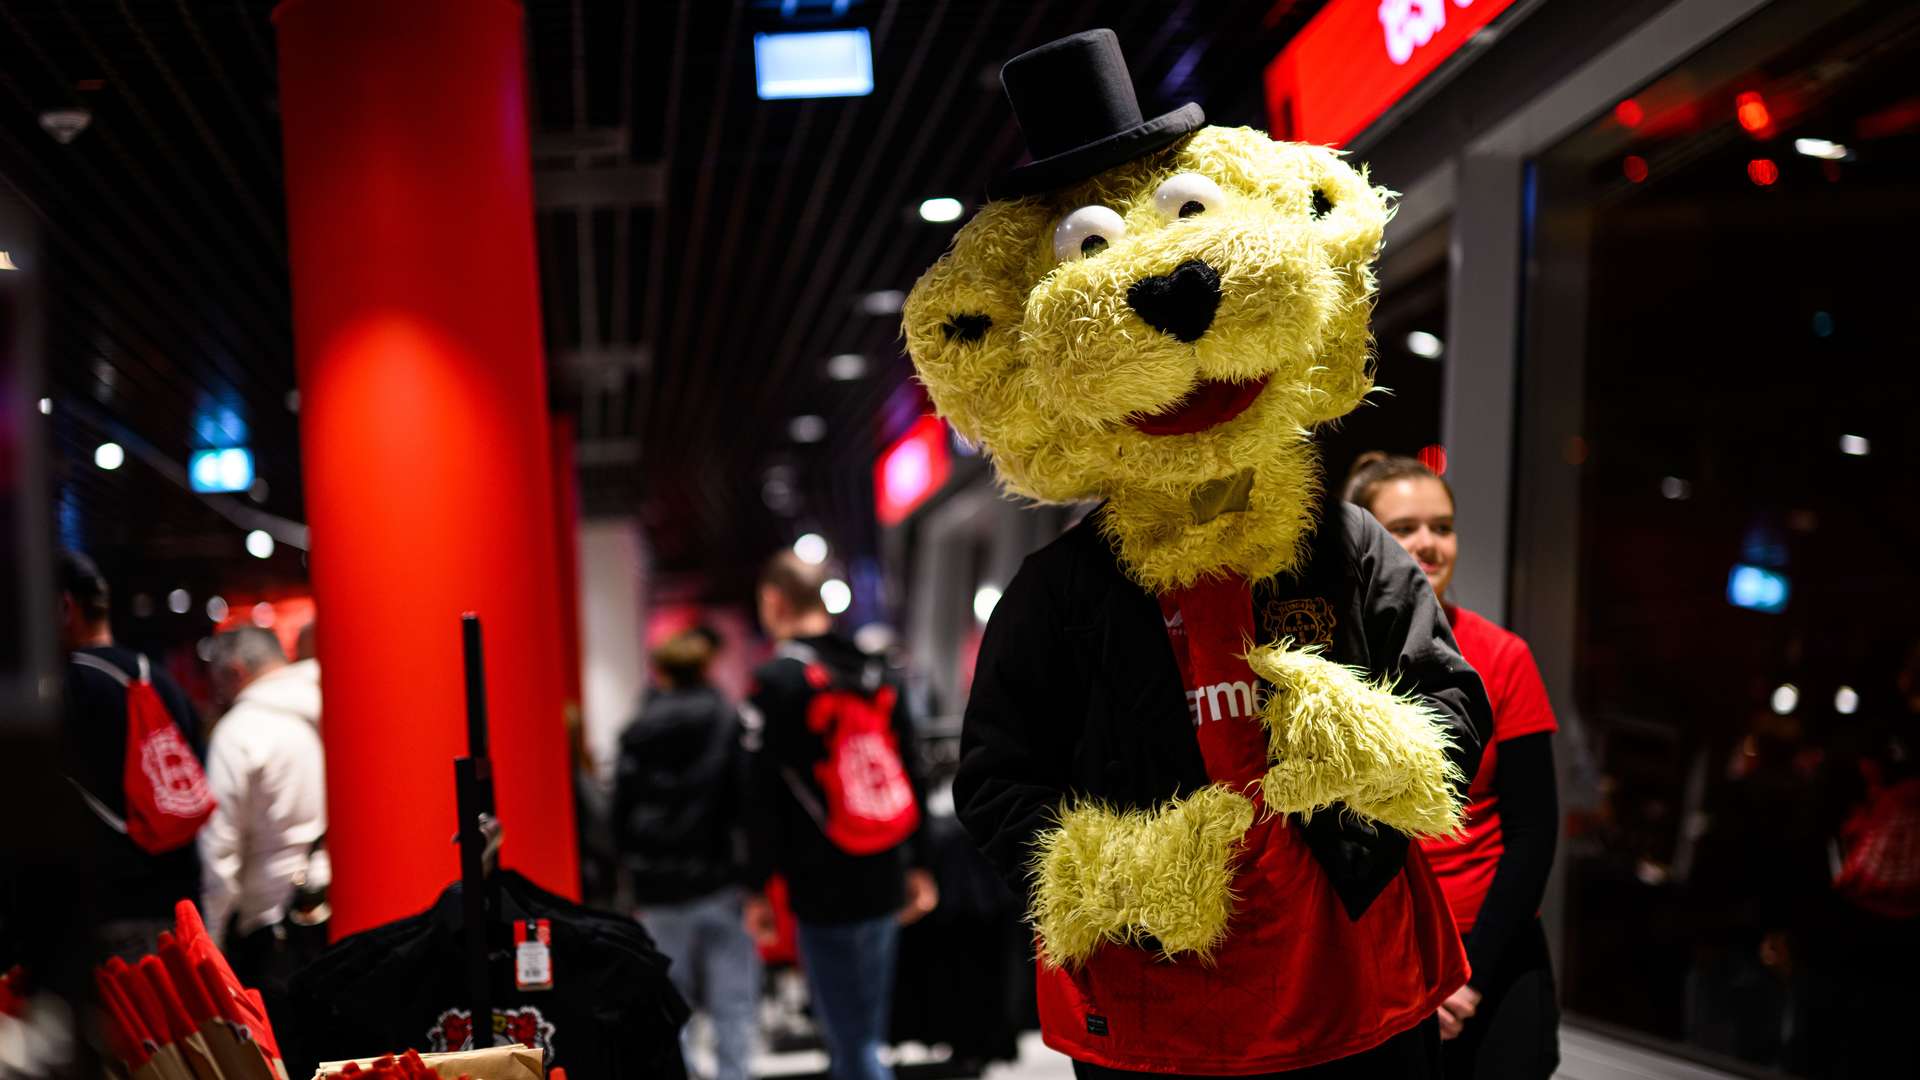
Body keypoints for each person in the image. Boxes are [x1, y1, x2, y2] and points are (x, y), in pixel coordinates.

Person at [1346, 454, 1562, 1079]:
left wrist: (1466, 979)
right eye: (1404, 528)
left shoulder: (1502, 656)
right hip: (1374, 961)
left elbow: (1532, 836)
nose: (1428, 544)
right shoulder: (1325, 662)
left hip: (1488, 958)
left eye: (1441, 527)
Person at [742, 553, 938, 1080]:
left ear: (777, 603)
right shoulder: (876, 668)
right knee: (867, 1027)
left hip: (819, 877)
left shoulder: (776, 680)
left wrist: (759, 885)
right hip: (885, 861)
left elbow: (760, 793)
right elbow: (911, 768)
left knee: (846, 1037)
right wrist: (919, 863)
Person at [616, 628, 758, 1080]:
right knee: (732, 1000)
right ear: (704, 667)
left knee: (670, 1001)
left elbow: (620, 812)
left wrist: (632, 864)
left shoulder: (638, 730)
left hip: (657, 888)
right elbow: (745, 800)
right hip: (717, 879)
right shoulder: (723, 719)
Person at [56, 550, 206, 959]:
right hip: (180, 910)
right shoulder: (161, 680)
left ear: (65, 606)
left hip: (105, 914)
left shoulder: (65, 686)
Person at [199, 625, 328, 990]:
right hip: (342, 901)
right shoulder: (336, 704)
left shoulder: (238, 731)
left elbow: (219, 848)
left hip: (274, 924)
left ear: (235, 672)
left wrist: (213, 939)